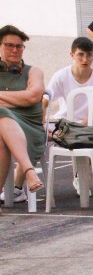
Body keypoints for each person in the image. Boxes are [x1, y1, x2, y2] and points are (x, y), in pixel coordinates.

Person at [44, 36, 93, 196]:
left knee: (87, 136)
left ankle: (80, 177)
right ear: (72, 55)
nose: (85, 59)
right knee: (34, 136)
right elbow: (45, 99)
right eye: (80, 55)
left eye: (89, 55)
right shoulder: (60, 76)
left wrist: (75, 130)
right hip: (62, 121)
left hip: (87, 125)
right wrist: (40, 121)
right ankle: (20, 185)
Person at [0, 25, 45, 205]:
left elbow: (33, 96)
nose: (15, 50)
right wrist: (19, 98)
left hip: (28, 126)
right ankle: (29, 171)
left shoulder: (33, 71)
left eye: (19, 46)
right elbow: (25, 97)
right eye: (9, 45)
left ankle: (26, 170)